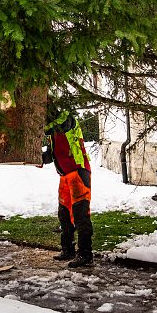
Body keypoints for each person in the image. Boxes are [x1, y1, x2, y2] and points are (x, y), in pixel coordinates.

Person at [42, 108, 93, 268]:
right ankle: (68, 249)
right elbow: (50, 156)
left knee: (80, 216)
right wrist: (36, 158)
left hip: (78, 172)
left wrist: (41, 126)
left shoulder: (67, 119)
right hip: (64, 176)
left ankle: (85, 254)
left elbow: (62, 124)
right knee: (64, 215)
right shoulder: (51, 134)